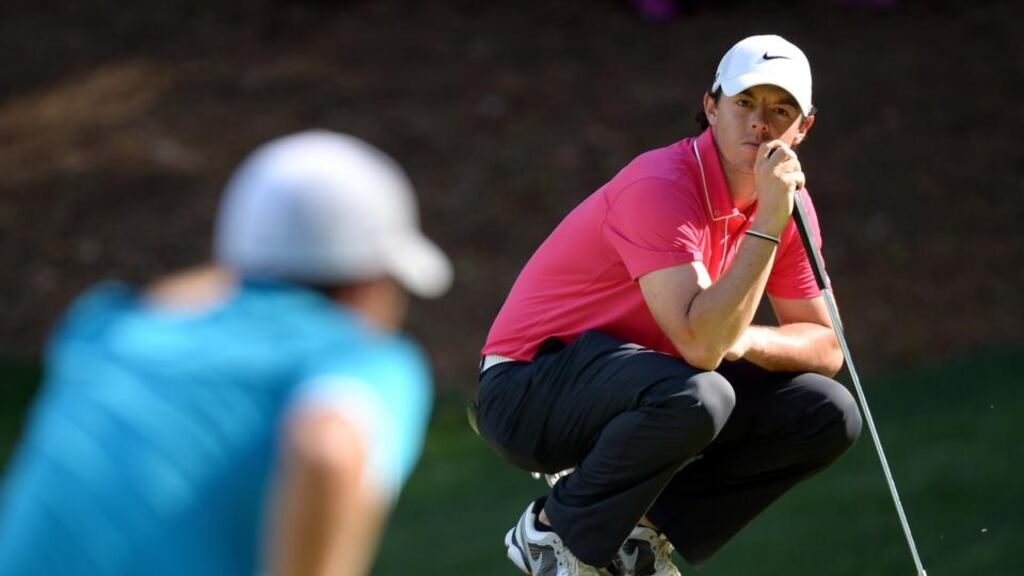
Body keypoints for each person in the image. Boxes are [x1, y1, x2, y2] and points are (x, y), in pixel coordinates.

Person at [475, 35, 864, 576]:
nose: (761, 124)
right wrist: (768, 226)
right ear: (711, 107)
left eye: (781, 110)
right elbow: (702, 345)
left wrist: (746, 337)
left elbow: (825, 345)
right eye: (745, 103)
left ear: (804, 128)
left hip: (642, 380)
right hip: (527, 389)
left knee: (825, 411)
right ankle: (555, 532)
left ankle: (641, 535)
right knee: (700, 393)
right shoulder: (662, 185)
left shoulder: (785, 199)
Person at [0, 130, 453, 576]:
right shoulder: (361, 358)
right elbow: (327, 448)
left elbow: (179, 297)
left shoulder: (111, 330)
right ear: (370, 284)